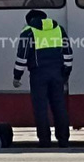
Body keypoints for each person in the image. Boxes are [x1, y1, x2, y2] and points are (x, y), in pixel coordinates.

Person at [13, 9, 72, 148]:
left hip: (38, 74)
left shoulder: (28, 32)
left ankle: (45, 141)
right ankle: (63, 140)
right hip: (57, 73)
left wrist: (17, 76)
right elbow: (68, 54)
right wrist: (66, 73)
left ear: (29, 20)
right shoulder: (58, 29)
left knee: (40, 108)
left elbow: (22, 57)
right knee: (59, 106)